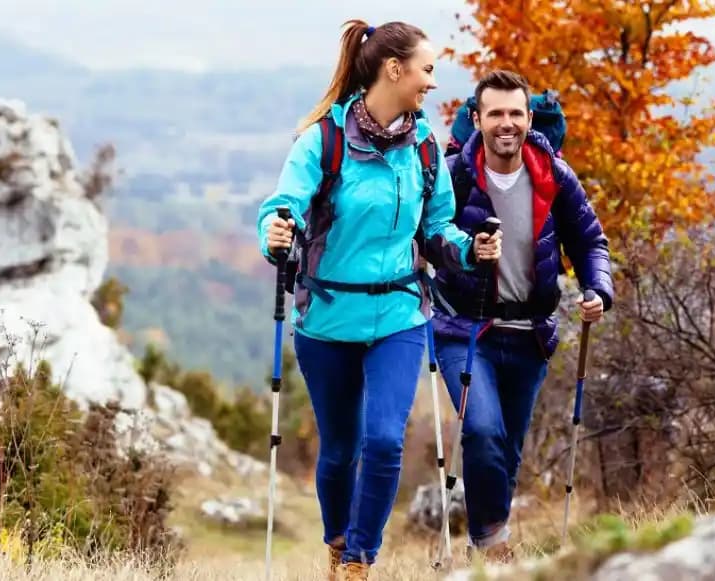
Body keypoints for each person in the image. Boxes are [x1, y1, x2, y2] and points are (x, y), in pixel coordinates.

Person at [257, 19, 499, 580]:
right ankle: (338, 544)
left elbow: (437, 227)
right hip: (328, 318)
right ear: (395, 69)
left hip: (399, 314)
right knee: (340, 449)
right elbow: (282, 206)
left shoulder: (423, 145)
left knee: (385, 440)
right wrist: (273, 230)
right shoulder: (324, 140)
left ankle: (358, 564)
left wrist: (470, 249)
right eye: (428, 70)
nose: (433, 83)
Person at [426, 70, 614, 561]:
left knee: (506, 451)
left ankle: (482, 549)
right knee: (483, 430)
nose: (505, 123)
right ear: (477, 119)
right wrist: (464, 250)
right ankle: (494, 547)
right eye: (495, 114)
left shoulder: (554, 174)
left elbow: (590, 240)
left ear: (530, 119)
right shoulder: (454, 176)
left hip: (530, 333)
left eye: (515, 113)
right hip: (463, 330)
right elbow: (428, 239)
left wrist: (598, 289)